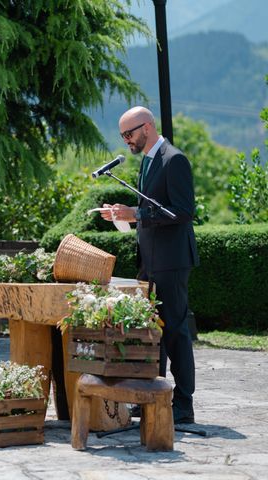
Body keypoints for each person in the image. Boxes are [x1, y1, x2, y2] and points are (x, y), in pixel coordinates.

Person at [100, 106, 199, 425]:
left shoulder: (174, 159)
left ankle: (183, 404)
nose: (126, 140)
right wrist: (124, 214)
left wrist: (138, 214)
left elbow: (182, 212)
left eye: (129, 133)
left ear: (147, 127)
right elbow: (149, 208)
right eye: (122, 135)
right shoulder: (147, 161)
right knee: (150, 334)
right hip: (150, 261)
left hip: (171, 261)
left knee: (175, 331)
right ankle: (150, 396)